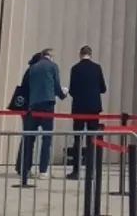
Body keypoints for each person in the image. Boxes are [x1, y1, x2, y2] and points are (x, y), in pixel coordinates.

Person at [17, 47, 66, 188]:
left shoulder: (33, 68)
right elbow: (56, 86)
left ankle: (26, 168)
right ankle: (43, 170)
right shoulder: (52, 66)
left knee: (29, 138)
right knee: (46, 137)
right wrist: (63, 95)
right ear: (50, 56)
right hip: (47, 104)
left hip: (33, 104)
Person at [67, 46, 107, 180]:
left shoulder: (75, 68)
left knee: (78, 139)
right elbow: (103, 88)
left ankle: (76, 170)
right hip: (93, 108)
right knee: (92, 139)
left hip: (79, 107)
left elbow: (72, 90)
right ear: (91, 54)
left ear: (80, 54)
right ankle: (91, 170)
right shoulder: (97, 68)